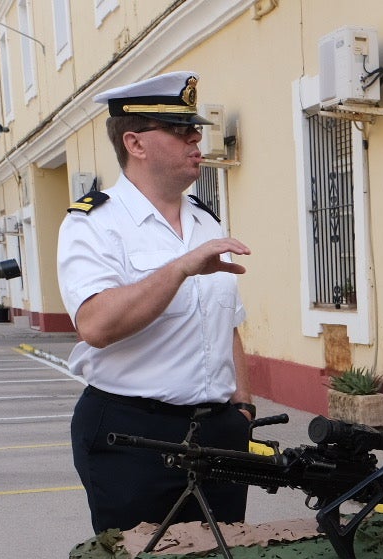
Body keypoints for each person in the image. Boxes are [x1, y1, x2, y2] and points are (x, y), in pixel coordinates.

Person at [58, 70, 256, 534]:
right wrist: (179, 269)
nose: (196, 140)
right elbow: (96, 325)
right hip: (133, 436)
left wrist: (242, 406)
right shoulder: (93, 223)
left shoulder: (205, 221)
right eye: (180, 130)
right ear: (136, 143)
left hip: (218, 433)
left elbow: (226, 324)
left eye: (196, 129)